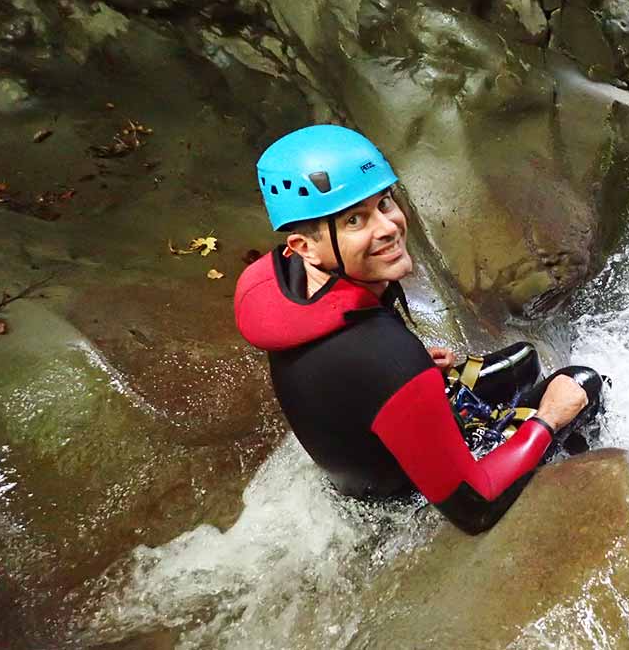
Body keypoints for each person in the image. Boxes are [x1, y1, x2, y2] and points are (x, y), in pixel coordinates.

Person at [234, 125, 603, 534]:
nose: (389, 227)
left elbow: (353, 372)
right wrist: (549, 418)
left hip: (364, 455)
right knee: (579, 385)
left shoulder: (284, 279)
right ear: (305, 246)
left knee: (523, 362)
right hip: (407, 498)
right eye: (355, 219)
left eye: (385, 203)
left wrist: (399, 388)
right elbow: (474, 508)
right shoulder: (386, 360)